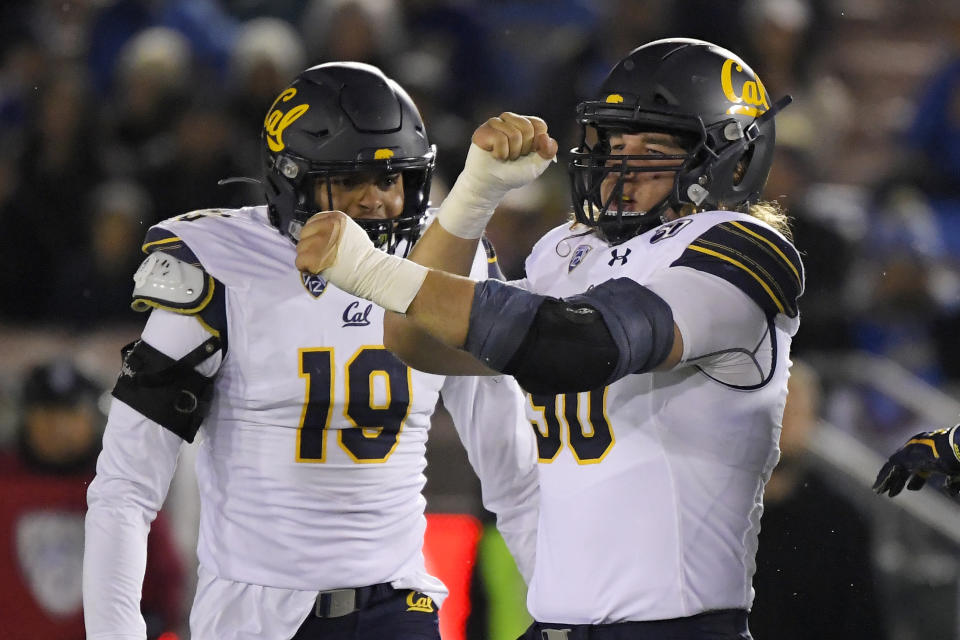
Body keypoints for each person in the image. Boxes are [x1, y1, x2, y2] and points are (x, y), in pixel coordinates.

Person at [295, 38, 803, 639]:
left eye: (654, 150)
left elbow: (582, 346)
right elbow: (414, 341)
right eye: (616, 144)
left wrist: (374, 271)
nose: (621, 166)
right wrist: (473, 197)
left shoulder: (746, 247)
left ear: (732, 163)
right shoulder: (572, 250)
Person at [83, 62, 539, 640]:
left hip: (398, 604)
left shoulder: (446, 262)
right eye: (349, 179)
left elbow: (513, 470)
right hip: (258, 615)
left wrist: (562, 609)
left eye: (393, 178)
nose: (376, 200)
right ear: (290, 181)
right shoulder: (221, 264)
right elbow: (126, 483)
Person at [0, 360, 184, 639]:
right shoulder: (6, 483)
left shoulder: (122, 487)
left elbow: (163, 576)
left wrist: (156, 623)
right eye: (47, 415)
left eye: (72, 415)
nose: (59, 429)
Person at [751, 361, 887, 640]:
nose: (783, 422)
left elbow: (861, 622)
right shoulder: (705, 510)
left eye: (794, 411)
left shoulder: (839, 519)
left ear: (813, 423)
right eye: (774, 408)